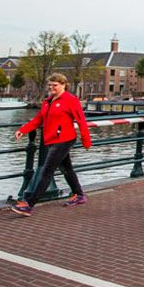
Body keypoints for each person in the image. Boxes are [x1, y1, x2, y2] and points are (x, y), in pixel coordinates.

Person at [10, 73, 92, 217]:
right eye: (50, 85)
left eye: (55, 85)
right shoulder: (48, 101)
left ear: (63, 85)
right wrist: (22, 130)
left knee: (47, 170)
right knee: (67, 168)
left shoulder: (70, 100)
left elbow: (81, 121)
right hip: (51, 139)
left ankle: (29, 204)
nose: (51, 87)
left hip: (64, 140)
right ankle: (79, 195)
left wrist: (86, 141)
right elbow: (38, 120)